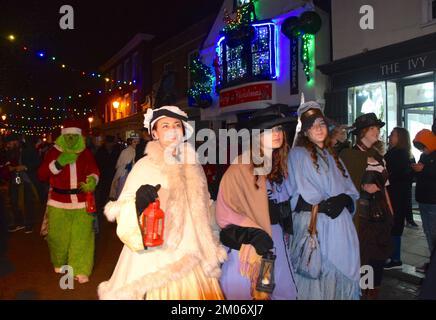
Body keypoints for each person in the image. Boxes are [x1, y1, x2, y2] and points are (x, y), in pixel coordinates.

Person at [98, 106, 226, 300]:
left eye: (177, 125)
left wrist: (214, 238)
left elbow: (205, 205)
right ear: (155, 133)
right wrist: (138, 204)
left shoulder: (194, 165)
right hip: (158, 258)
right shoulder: (144, 166)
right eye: (165, 126)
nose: (173, 130)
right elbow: (123, 210)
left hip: (196, 254)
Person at [216, 104, 298, 300]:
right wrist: (254, 232)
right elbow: (223, 212)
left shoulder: (281, 166)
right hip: (249, 245)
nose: (277, 133)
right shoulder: (241, 167)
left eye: (279, 129)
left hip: (275, 241)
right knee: (248, 295)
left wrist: (281, 212)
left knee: (276, 291)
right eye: (269, 129)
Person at [288, 101, 360, 300]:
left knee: (337, 285)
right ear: (305, 132)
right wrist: (319, 205)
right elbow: (291, 194)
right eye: (311, 126)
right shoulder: (296, 155)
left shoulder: (333, 156)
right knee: (317, 282)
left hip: (341, 231)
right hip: (316, 230)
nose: (317, 129)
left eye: (320, 124)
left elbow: (350, 191)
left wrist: (345, 199)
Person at [37, 120, 100, 283]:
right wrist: (58, 163)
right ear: (63, 137)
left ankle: (80, 268)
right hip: (58, 203)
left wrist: (92, 180)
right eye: (68, 136)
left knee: (82, 237)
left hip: (81, 203)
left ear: (79, 137)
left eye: (74, 136)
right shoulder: (53, 152)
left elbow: (94, 170)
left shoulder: (85, 153)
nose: (71, 139)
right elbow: (41, 174)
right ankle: (59, 261)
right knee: (58, 237)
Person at [340, 113, 394, 299]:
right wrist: (363, 187)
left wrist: (390, 211)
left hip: (380, 215)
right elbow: (343, 187)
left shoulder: (379, 157)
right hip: (360, 217)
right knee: (364, 255)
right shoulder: (348, 155)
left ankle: (373, 293)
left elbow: (385, 189)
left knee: (378, 256)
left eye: (378, 128)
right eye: (373, 128)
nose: (377, 132)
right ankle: (362, 292)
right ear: (363, 132)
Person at [384, 127, 415, 270]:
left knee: (394, 225)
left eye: (393, 135)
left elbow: (392, 175)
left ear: (400, 138)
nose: (390, 136)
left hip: (394, 195)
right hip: (400, 195)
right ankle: (394, 257)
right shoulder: (405, 154)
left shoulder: (397, 154)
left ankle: (394, 258)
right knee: (396, 225)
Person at [3, 134, 41, 233]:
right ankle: (18, 222)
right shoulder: (10, 151)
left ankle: (29, 224)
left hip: (28, 180)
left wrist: (25, 166)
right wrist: (9, 167)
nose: (8, 145)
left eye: (10, 143)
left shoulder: (29, 148)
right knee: (14, 201)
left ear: (16, 142)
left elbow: (38, 162)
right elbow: (7, 163)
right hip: (15, 179)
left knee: (28, 202)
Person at [412, 129, 436, 274]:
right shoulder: (423, 156)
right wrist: (415, 170)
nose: (422, 149)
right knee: (428, 232)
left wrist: (424, 169)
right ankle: (432, 262)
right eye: (420, 147)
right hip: (423, 200)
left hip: (433, 201)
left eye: (424, 146)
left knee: (433, 233)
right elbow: (420, 174)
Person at [95, 135, 121, 214]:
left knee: (112, 191)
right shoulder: (101, 151)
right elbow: (97, 163)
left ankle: (111, 208)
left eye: (111, 143)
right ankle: (101, 207)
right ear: (106, 143)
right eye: (109, 143)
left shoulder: (116, 150)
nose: (110, 145)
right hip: (103, 175)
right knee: (103, 192)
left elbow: (117, 161)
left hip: (112, 174)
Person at [109, 134, 140, 200]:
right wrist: (126, 166)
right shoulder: (125, 151)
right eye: (134, 142)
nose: (136, 144)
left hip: (129, 173)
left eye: (136, 142)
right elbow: (119, 163)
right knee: (121, 188)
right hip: (123, 172)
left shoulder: (134, 151)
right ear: (131, 142)